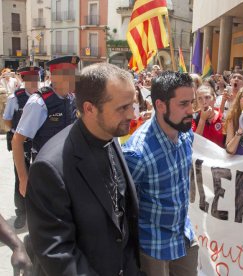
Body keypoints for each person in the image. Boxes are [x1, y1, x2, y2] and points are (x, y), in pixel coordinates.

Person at [26, 63, 141, 275]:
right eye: (122, 108)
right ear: (89, 109)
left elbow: (122, 218)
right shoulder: (50, 168)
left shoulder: (110, 135)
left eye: (131, 105)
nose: (132, 115)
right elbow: (57, 252)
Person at [122, 72, 198, 276]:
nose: (191, 110)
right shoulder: (136, 153)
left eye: (192, 102)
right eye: (183, 104)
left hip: (184, 235)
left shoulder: (186, 133)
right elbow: (122, 206)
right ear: (161, 105)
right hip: (153, 247)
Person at [12, 56, 79, 198]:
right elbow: (17, 141)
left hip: (68, 169)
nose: (72, 78)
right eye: (67, 74)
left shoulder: (72, 99)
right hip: (46, 172)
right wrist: (23, 180)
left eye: (73, 73)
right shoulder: (38, 103)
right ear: (53, 77)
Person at [2, 66, 40, 229]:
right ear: (24, 80)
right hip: (21, 143)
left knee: (39, 177)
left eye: (36, 80)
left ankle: (37, 212)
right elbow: (7, 120)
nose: (34, 84)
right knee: (21, 177)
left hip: (38, 142)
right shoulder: (15, 98)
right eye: (31, 80)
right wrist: (15, 133)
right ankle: (21, 213)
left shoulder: (42, 97)